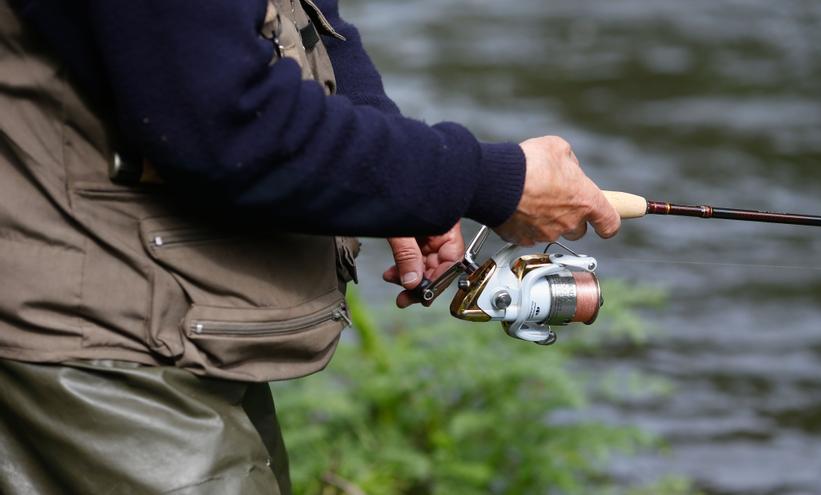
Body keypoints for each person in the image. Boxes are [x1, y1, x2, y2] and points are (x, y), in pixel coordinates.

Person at [0, 0, 620, 493]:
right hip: (95, 340)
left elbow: (301, 16)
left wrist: (391, 170)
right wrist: (486, 180)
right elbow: (225, 124)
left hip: (179, 323)